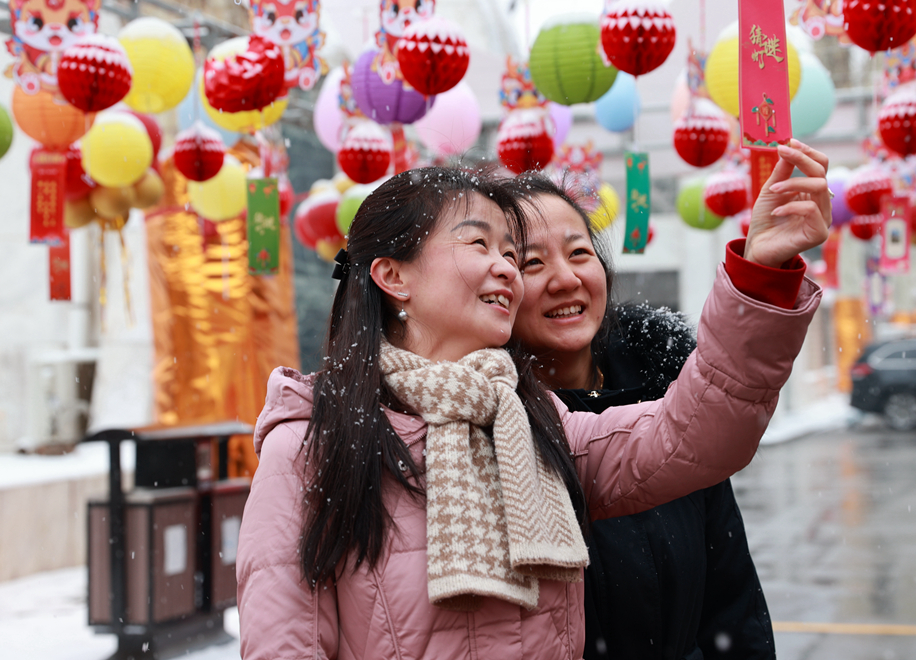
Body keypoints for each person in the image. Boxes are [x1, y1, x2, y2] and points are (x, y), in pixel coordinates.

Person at [237, 142, 830, 660]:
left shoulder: (534, 420)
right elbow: (285, 645)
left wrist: (760, 274)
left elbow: (695, 435)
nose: (507, 271)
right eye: (482, 245)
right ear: (393, 277)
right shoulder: (312, 443)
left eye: (508, 254)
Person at [510, 172, 776, 660]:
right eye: (532, 262)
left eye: (579, 253)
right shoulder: (488, 431)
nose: (566, 279)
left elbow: (733, 602)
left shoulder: (671, 400)